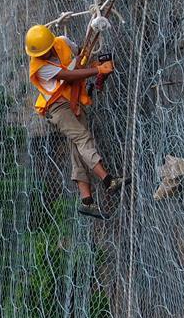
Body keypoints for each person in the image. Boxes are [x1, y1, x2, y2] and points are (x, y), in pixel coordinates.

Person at [25, 23, 123, 218]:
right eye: (39, 54)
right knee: (82, 139)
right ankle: (108, 180)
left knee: (77, 149)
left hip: (73, 101)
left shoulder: (62, 42)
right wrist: (98, 71)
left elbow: (80, 56)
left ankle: (86, 200)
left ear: (51, 43)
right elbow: (68, 75)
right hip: (57, 108)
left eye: (44, 52)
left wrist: (93, 63)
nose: (42, 56)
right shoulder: (39, 67)